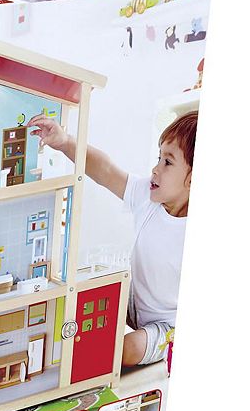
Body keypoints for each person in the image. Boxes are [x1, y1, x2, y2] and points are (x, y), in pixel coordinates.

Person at [27, 110, 196, 367]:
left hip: (167, 326)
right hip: (134, 303)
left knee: (128, 348)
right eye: (158, 158)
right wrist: (65, 142)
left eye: (168, 163)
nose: (155, 169)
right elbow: (105, 171)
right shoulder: (147, 198)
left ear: (192, 179)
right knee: (85, 292)